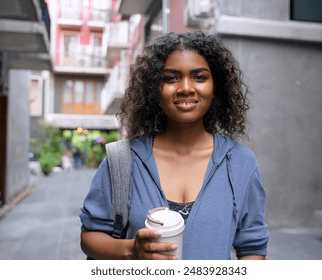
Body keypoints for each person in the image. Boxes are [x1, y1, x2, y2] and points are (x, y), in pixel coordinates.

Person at [79, 31, 269, 260]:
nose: (186, 88)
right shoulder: (121, 160)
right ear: (153, 89)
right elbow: (90, 236)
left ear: (215, 86)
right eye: (171, 78)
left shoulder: (240, 162)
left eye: (199, 77)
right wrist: (131, 250)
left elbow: (253, 248)